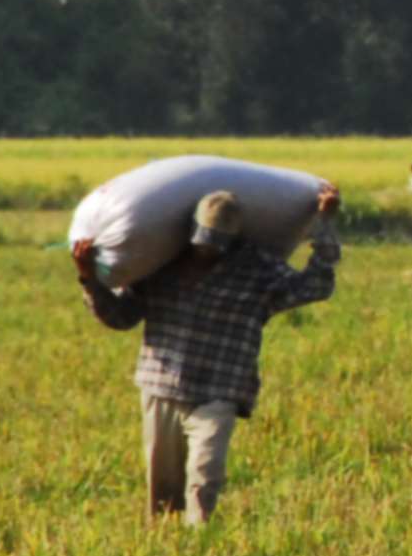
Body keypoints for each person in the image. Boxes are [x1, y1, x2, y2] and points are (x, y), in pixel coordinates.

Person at [74, 183, 342, 526]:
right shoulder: (161, 265)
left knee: (204, 480)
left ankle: (202, 543)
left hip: (219, 391)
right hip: (162, 386)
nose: (208, 252)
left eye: (217, 245)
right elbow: (122, 317)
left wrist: (324, 223)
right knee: (163, 496)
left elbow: (318, 285)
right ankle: (170, 555)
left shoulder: (258, 271)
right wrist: (89, 280)